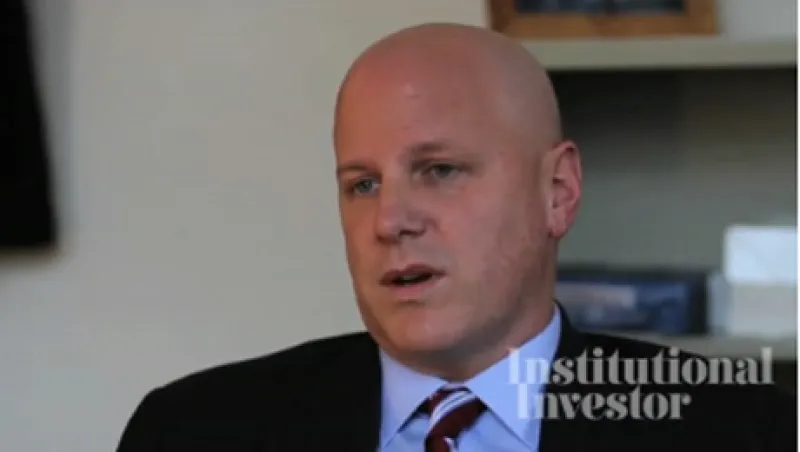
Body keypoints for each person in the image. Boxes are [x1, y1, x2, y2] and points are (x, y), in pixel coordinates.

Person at [115, 23, 795, 452]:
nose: (390, 221)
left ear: (557, 192)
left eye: (439, 171)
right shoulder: (193, 430)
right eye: (363, 184)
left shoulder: (739, 430)